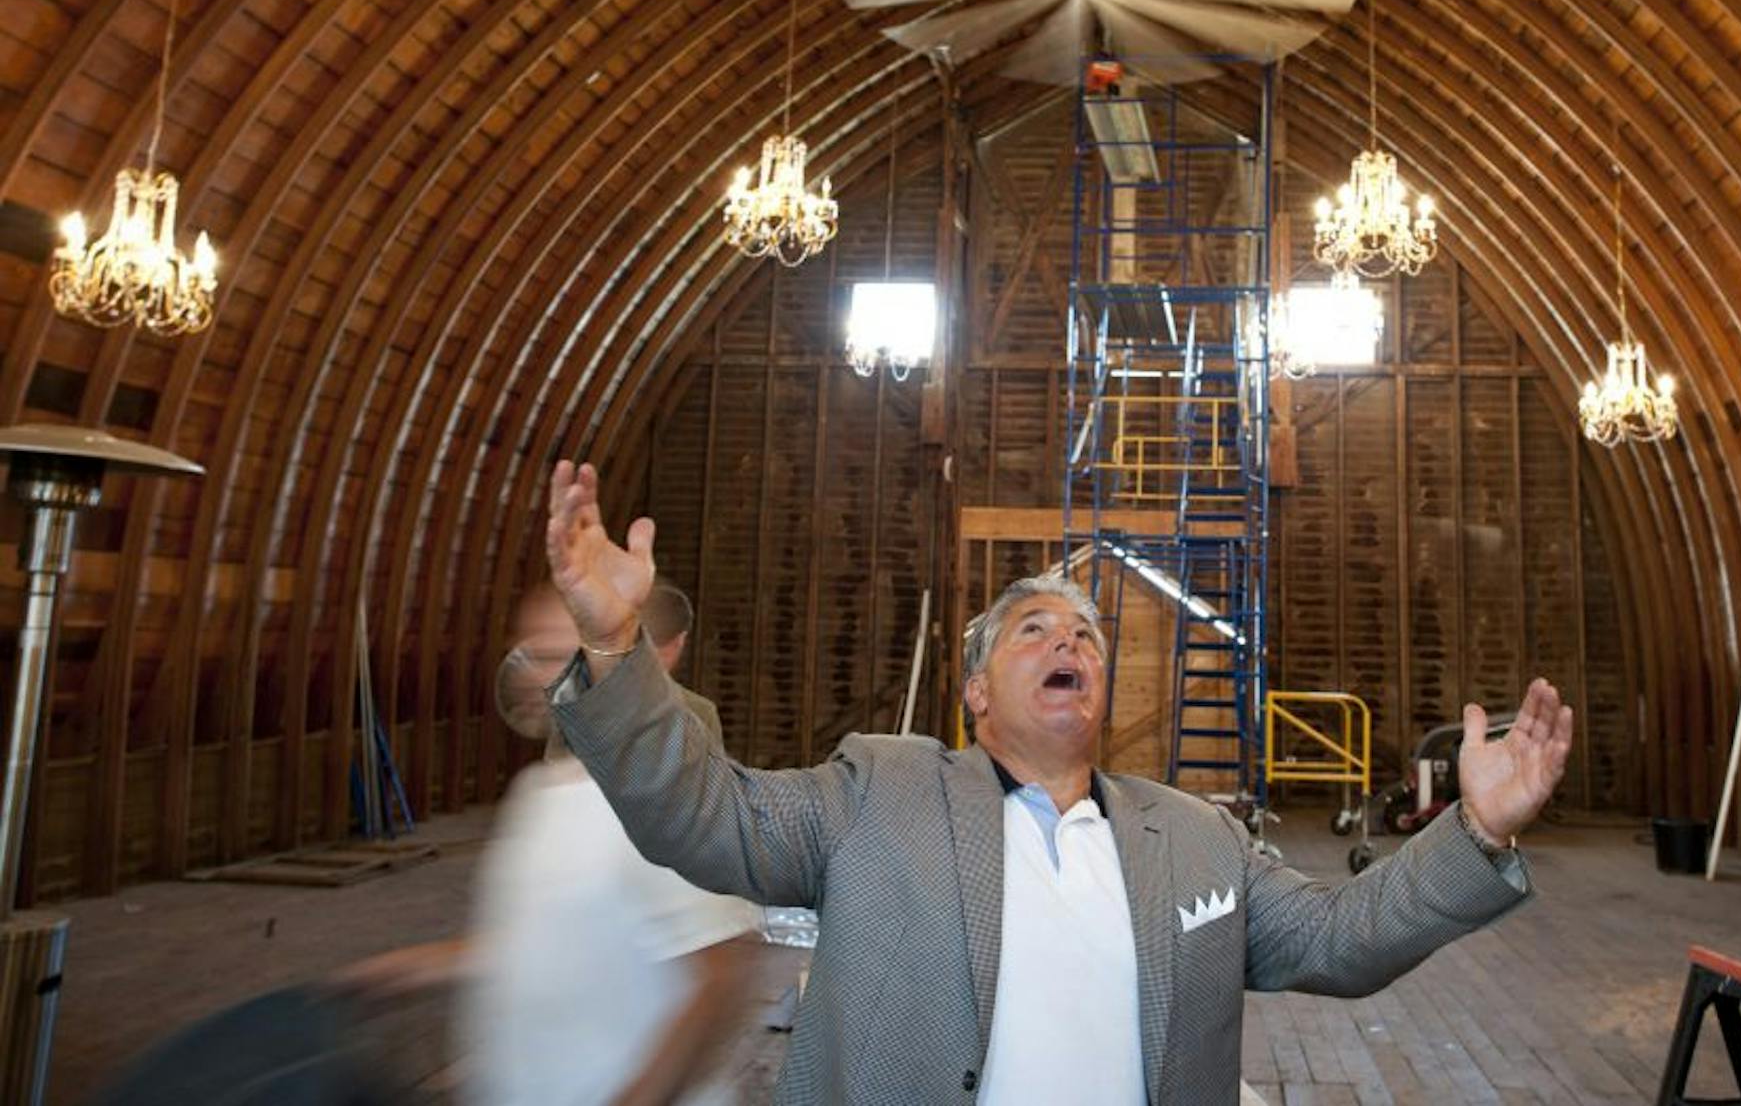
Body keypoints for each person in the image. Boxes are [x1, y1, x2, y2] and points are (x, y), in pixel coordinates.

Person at [544, 459, 1573, 1105]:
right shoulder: (876, 791)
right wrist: (617, 644)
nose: (1069, 640)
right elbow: (704, 816)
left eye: (1085, 634)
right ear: (975, 690)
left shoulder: (1197, 836)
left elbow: (1341, 938)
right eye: (1034, 629)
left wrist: (1476, 830)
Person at [458, 578, 768, 1106]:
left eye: (557, 653)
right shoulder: (541, 790)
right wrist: (402, 971)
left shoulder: (666, 792)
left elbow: (720, 974)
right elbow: (530, 940)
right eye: (531, 653)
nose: (535, 674)